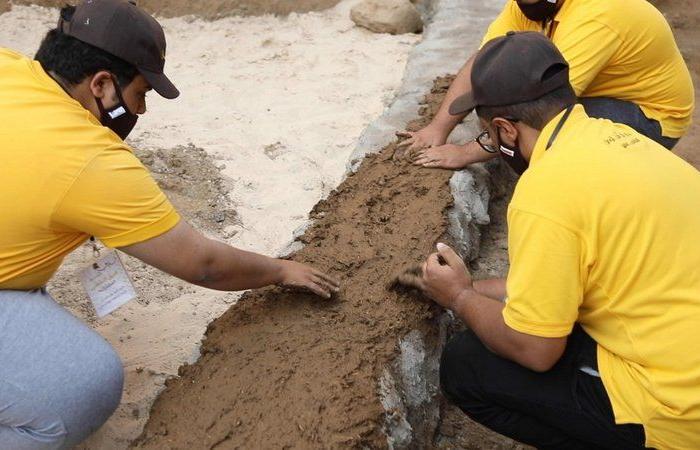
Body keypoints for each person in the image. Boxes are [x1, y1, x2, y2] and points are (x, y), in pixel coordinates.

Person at [0, 1, 339, 448]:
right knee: (84, 384)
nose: (141, 110)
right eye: (140, 94)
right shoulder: (87, 157)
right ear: (102, 84)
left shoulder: (9, 66)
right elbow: (203, 264)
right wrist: (280, 270)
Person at [399, 32, 700, 449]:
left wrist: (461, 301)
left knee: (467, 366)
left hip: (680, 407)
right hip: (683, 341)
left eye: (489, 136)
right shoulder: (623, 141)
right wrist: (472, 287)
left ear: (505, 129)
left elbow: (536, 350)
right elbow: (586, 273)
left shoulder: (545, 192)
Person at [399, 0, 694, 169]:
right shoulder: (530, 4)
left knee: (539, 135)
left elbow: (543, 110)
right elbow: (487, 59)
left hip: (650, 116)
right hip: (597, 91)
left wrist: (464, 153)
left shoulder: (597, 16)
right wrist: (437, 129)